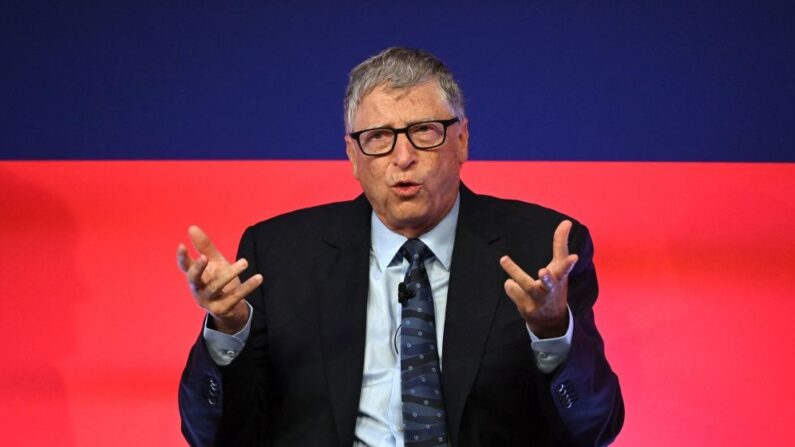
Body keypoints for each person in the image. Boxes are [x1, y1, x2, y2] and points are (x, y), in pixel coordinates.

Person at [177, 47, 623, 446]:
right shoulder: (278, 255)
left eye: (424, 132)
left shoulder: (540, 252)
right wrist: (227, 331)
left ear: (462, 140)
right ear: (352, 155)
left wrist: (551, 332)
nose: (402, 156)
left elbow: (594, 429)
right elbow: (213, 436)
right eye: (378, 137)